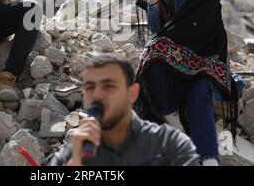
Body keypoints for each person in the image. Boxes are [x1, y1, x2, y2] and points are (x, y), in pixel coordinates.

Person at [134, 0, 241, 166]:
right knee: (153, 62)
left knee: (198, 91)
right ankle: (177, 130)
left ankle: (208, 161)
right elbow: (158, 28)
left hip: (206, 52)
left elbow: (201, 19)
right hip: (173, 54)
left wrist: (169, 44)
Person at [49, 54, 200, 166]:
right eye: (90, 87)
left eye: (108, 86)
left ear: (132, 93)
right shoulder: (68, 155)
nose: (97, 95)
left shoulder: (171, 145)